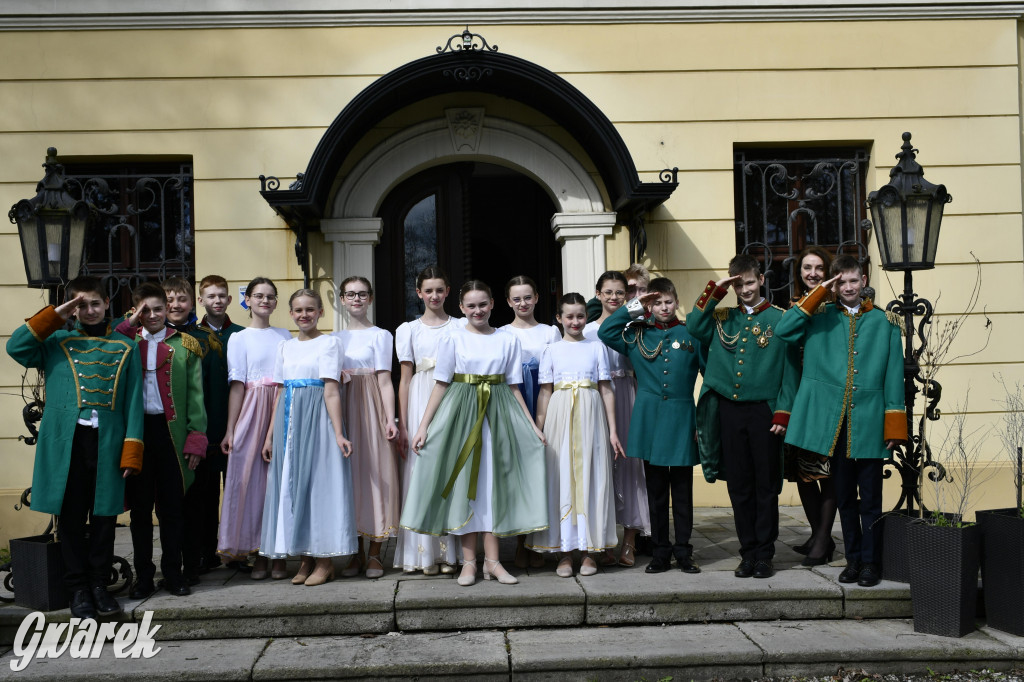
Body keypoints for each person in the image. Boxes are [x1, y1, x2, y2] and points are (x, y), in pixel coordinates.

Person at [6, 276, 144, 619]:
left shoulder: (125, 347)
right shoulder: (56, 340)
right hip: (66, 444)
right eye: (81, 305)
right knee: (69, 518)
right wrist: (56, 313)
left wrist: (131, 451)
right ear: (73, 308)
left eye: (95, 303)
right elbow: (16, 347)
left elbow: (133, 403)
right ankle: (77, 589)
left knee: (103, 518)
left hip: (107, 443)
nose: (90, 310)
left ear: (107, 304)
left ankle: (99, 584)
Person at [400, 280, 548, 587]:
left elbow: (513, 385)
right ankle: (469, 562)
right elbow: (441, 383)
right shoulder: (453, 338)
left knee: (493, 485)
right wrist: (424, 426)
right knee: (466, 484)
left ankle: (492, 563)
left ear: (493, 304)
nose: (477, 310)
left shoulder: (507, 340)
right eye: (471, 306)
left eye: (483, 304)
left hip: (499, 412)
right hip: (462, 413)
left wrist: (532, 425)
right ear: (462, 308)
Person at [776, 255, 907, 588]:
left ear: (863, 281)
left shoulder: (886, 322)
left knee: (872, 499)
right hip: (834, 424)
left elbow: (894, 376)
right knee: (845, 497)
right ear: (834, 284)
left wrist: (894, 424)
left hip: (870, 423)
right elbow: (783, 330)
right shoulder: (817, 315)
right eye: (841, 282)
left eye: (853, 281)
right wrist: (820, 291)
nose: (848, 288)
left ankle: (871, 563)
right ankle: (852, 560)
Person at [689, 254, 799, 579]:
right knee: (738, 486)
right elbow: (695, 326)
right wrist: (715, 291)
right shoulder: (723, 317)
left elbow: (791, 372)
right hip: (729, 411)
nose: (746, 289)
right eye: (739, 284)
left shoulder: (780, 320)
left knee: (765, 485)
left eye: (750, 282)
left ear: (761, 280)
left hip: (764, 412)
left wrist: (783, 412)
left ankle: (765, 554)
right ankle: (746, 552)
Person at [598, 277, 704, 574]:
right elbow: (606, 331)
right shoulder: (636, 334)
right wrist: (635, 307)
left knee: (682, 491)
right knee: (655, 491)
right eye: (656, 303)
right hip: (649, 422)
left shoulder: (690, 335)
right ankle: (660, 552)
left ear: (677, 302)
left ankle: (683, 551)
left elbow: (709, 374)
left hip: (682, 419)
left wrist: (703, 422)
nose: (663, 307)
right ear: (650, 305)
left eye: (668, 301)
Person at [259, 289, 357, 586]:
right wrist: (269, 436)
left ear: (320, 313)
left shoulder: (329, 343)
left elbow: (331, 389)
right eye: (299, 310)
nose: (304, 315)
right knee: (291, 484)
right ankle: (304, 557)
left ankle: (324, 561)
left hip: (317, 420)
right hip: (288, 422)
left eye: (310, 310)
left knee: (316, 486)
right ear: (290, 313)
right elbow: (279, 391)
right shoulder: (285, 347)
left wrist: (338, 432)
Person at [116, 281, 208, 598]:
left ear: (167, 310)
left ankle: (173, 573)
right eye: (146, 310)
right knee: (140, 512)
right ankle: (143, 577)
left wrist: (196, 439)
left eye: (158, 308)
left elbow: (196, 397)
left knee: (171, 510)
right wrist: (130, 322)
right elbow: (112, 335)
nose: (153, 315)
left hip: (172, 435)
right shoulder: (124, 344)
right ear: (136, 312)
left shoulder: (186, 346)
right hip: (137, 435)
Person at [526, 293, 624, 577]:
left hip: (591, 417)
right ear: (559, 318)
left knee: (592, 478)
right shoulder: (551, 350)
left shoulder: (596, 348)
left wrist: (613, 430)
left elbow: (606, 389)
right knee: (562, 479)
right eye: (569, 316)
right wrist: (539, 428)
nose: (575, 321)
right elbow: (545, 392)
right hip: (560, 416)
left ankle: (590, 551)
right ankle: (564, 552)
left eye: (580, 315)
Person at [218, 277, 292, 579]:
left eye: (270, 296)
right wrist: (230, 429)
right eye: (258, 296)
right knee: (250, 484)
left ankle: (279, 555)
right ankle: (257, 552)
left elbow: (286, 380)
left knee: (279, 482)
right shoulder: (238, 337)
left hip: (282, 407)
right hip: (251, 409)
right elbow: (237, 386)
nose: (265, 301)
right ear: (247, 300)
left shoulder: (285, 335)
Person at [393, 265, 465, 576]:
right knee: (420, 473)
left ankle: (449, 553)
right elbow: (405, 378)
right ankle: (423, 554)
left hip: (452, 399)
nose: (434, 295)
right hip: (420, 398)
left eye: (440, 289)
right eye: (428, 290)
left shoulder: (460, 326)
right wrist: (405, 423)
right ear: (419, 293)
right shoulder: (408, 330)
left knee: (449, 471)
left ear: (448, 292)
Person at [163, 275, 236, 580]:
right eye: (168, 300)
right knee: (189, 500)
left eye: (181, 299)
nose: (175, 305)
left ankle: (217, 553)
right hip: (178, 432)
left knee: (218, 496)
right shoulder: (157, 338)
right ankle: (190, 558)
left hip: (215, 428)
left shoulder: (213, 339)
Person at [334, 276, 400, 579]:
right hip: (343, 407)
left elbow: (385, 380)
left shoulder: (381, 335)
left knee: (375, 473)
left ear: (370, 299)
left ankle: (375, 552)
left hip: (370, 405)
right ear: (342, 300)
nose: (356, 299)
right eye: (350, 294)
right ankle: (355, 553)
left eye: (362, 294)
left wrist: (390, 417)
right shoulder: (334, 338)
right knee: (348, 478)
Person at [585, 270, 650, 567]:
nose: (613, 298)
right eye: (607, 292)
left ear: (627, 296)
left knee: (630, 465)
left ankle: (630, 541)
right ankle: (603, 539)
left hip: (626, 393)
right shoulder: (585, 330)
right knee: (601, 467)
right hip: (595, 400)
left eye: (619, 293)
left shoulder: (636, 327)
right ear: (597, 295)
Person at [500, 274, 560, 568]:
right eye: (516, 298)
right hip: (513, 402)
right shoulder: (501, 333)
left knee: (543, 471)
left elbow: (556, 372)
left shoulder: (550, 332)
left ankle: (540, 543)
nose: (522, 303)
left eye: (527, 297)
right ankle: (521, 542)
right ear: (508, 301)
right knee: (518, 474)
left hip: (545, 399)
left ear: (536, 298)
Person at [786, 247, 840, 566]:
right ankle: (819, 534)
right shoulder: (796, 307)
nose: (812, 273)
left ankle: (822, 539)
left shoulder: (835, 310)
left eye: (819, 268)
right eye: (807, 267)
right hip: (799, 400)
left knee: (826, 471)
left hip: (828, 401)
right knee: (802, 471)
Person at [586, 263, 650, 323]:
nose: (637, 295)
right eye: (631, 291)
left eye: (643, 290)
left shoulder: (655, 314)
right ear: (626, 294)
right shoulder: (622, 315)